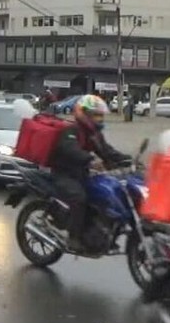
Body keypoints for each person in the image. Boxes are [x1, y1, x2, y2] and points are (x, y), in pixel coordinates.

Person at [47, 94, 131, 253]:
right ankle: (74, 238)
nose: (99, 119)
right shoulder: (71, 130)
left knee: (107, 194)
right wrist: (90, 160)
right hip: (64, 175)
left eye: (101, 115)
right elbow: (70, 149)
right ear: (84, 114)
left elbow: (107, 151)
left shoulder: (94, 134)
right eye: (96, 115)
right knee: (79, 197)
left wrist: (128, 160)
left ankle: (102, 233)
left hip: (82, 175)